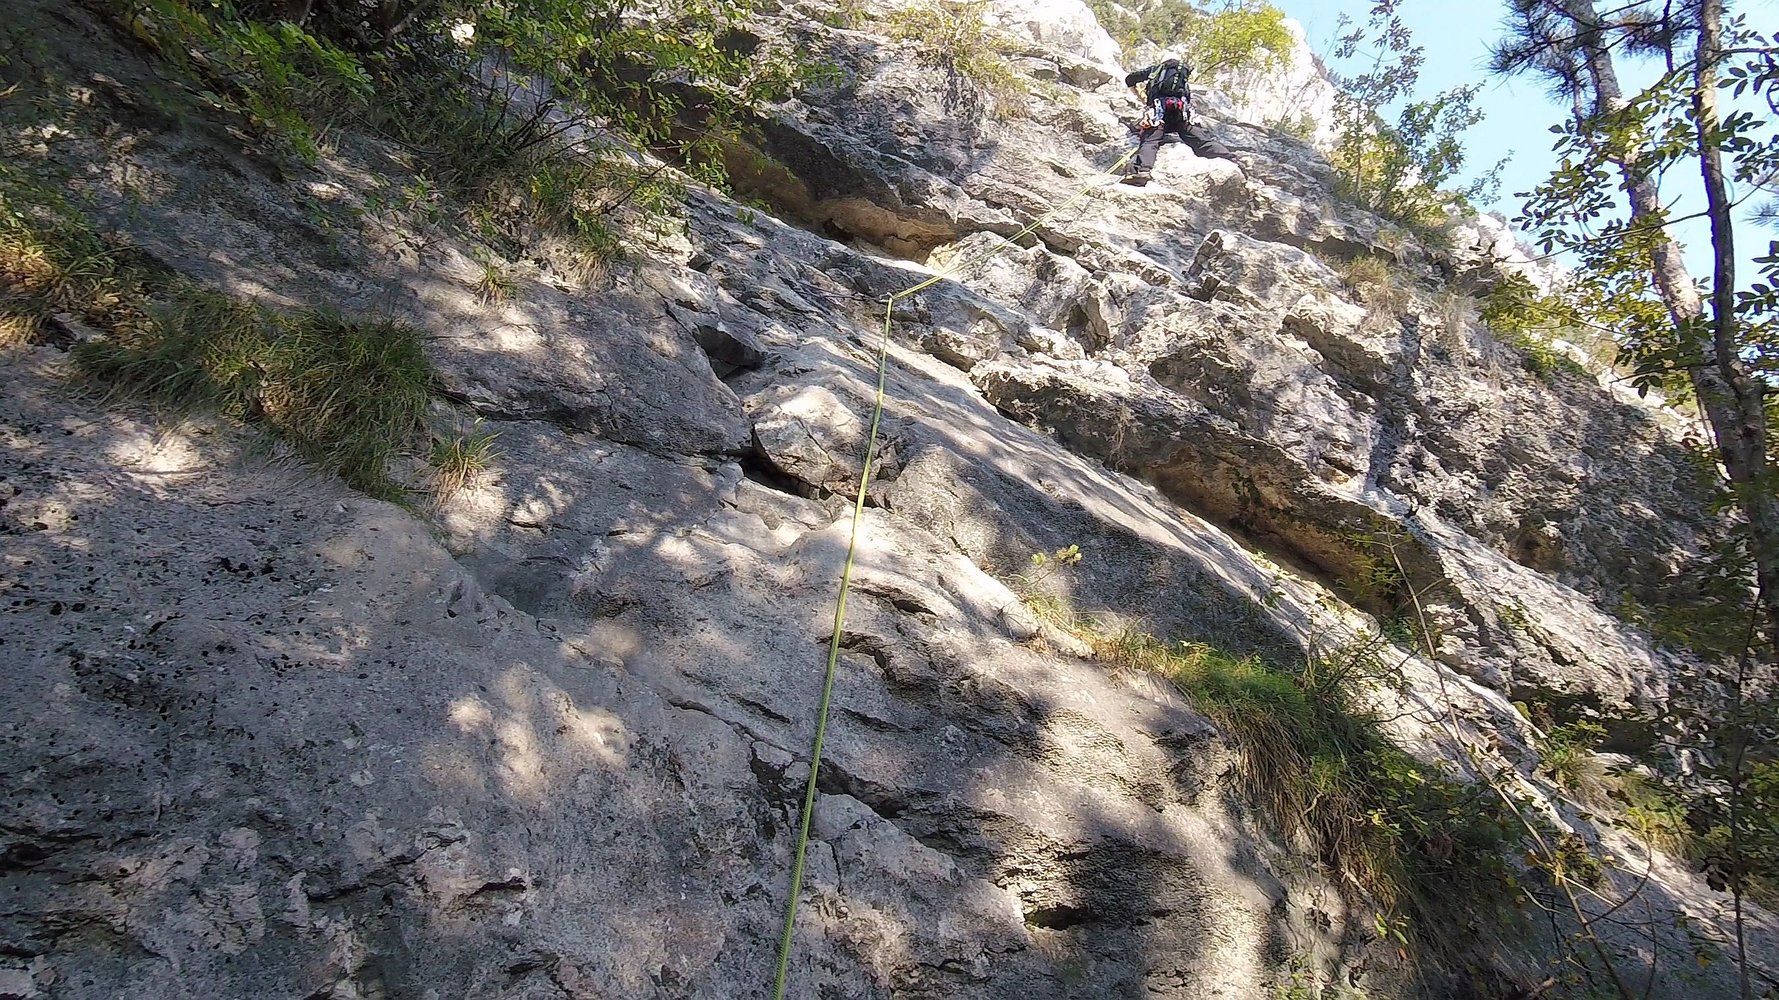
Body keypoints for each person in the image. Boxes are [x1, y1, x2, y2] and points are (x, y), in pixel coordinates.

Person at [1121, 53, 1234, 183]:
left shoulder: (1155, 70)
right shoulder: (1183, 82)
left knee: (1150, 141)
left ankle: (1142, 171)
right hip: (1181, 114)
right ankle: (1231, 158)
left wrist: (1139, 94)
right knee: (1201, 141)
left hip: (1158, 112)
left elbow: (1130, 79)